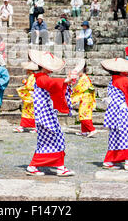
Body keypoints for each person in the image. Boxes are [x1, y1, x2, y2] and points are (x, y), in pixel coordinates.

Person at [25, 49, 76, 177]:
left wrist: (67, 81)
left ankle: (35, 165)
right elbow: (53, 84)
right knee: (55, 138)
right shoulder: (42, 78)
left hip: (45, 114)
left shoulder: (41, 78)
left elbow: (53, 86)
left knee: (48, 140)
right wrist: (66, 81)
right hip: (45, 115)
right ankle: (59, 167)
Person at [71, 61, 97, 138]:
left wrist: (72, 91)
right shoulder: (84, 78)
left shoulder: (84, 78)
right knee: (84, 113)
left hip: (86, 97)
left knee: (83, 114)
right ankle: (84, 131)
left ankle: (92, 129)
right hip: (87, 97)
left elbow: (78, 89)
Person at [14, 61, 38, 133]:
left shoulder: (33, 76)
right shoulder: (32, 76)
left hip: (31, 95)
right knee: (26, 111)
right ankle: (22, 126)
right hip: (29, 96)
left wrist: (25, 83)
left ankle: (35, 126)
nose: (26, 71)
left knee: (32, 112)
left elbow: (30, 86)